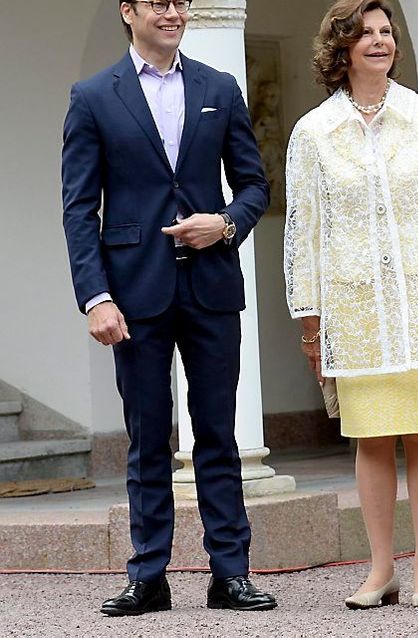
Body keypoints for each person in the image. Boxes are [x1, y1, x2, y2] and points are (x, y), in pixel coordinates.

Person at [61, 0, 276, 616]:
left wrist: (226, 223)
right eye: (159, 2)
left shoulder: (220, 86)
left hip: (210, 286)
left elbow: (254, 184)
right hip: (133, 292)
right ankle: (148, 575)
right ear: (128, 11)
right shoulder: (93, 95)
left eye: (180, 1)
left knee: (218, 434)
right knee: (147, 438)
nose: (174, 11)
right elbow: (79, 207)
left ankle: (229, 573)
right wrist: (95, 296)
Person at [283, 0, 418, 611]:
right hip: (354, 314)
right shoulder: (313, 132)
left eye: (386, 31)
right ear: (341, 47)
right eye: (366, 33)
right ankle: (379, 569)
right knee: (370, 441)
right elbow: (303, 234)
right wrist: (311, 324)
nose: (380, 41)